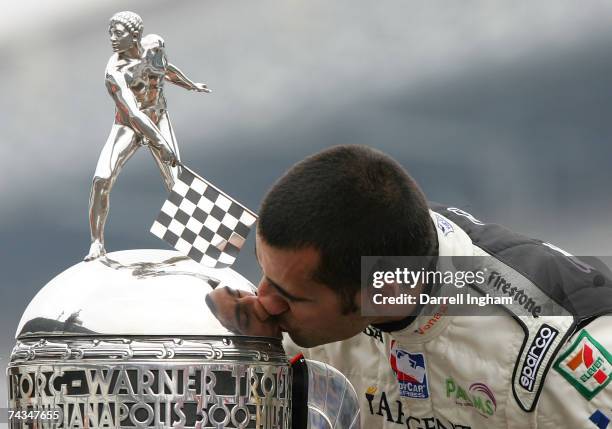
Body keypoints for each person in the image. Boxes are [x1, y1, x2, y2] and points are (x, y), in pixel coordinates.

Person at [252, 145, 612, 428]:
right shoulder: (368, 247)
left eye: (289, 298)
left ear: (385, 292)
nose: (263, 302)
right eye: (264, 274)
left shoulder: (558, 361)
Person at [85, 11, 211, 261]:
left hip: (158, 117)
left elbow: (165, 70)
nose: (112, 38)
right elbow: (132, 113)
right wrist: (160, 143)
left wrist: (191, 84)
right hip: (128, 126)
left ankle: (197, 242)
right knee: (101, 179)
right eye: (110, 32)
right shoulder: (115, 72)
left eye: (118, 33)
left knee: (176, 180)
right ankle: (96, 243)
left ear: (134, 36)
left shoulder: (154, 48)